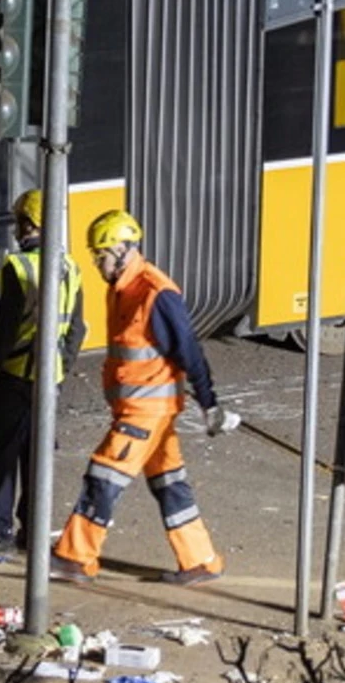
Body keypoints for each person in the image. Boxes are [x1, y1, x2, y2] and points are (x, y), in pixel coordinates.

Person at [51, 209, 231, 587]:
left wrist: (209, 402)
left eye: (101, 255)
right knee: (169, 482)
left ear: (122, 249)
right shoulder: (122, 288)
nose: (97, 263)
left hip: (145, 411)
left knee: (103, 475)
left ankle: (75, 557)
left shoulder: (155, 292)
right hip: (144, 408)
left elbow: (189, 350)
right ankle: (200, 560)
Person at [0, 189, 85, 557]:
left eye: (19, 222)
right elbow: (77, 329)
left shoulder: (18, 268)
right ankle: (31, 533)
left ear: (30, 224)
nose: (16, 229)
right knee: (37, 459)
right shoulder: (70, 267)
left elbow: (4, 333)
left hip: (14, 379)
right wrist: (60, 370)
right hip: (48, 382)